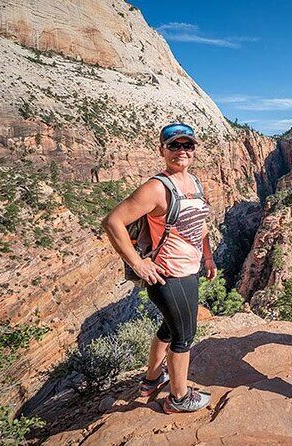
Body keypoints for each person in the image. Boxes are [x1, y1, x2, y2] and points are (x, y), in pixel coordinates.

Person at [102, 122, 217, 414]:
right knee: (184, 336)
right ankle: (179, 398)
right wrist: (138, 263)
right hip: (168, 276)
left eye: (187, 145)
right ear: (162, 149)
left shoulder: (195, 183)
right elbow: (112, 221)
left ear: (194, 149)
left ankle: (151, 380)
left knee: (168, 328)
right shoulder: (156, 187)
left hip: (189, 271)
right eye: (174, 145)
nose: (181, 151)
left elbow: (199, 225)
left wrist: (208, 257)